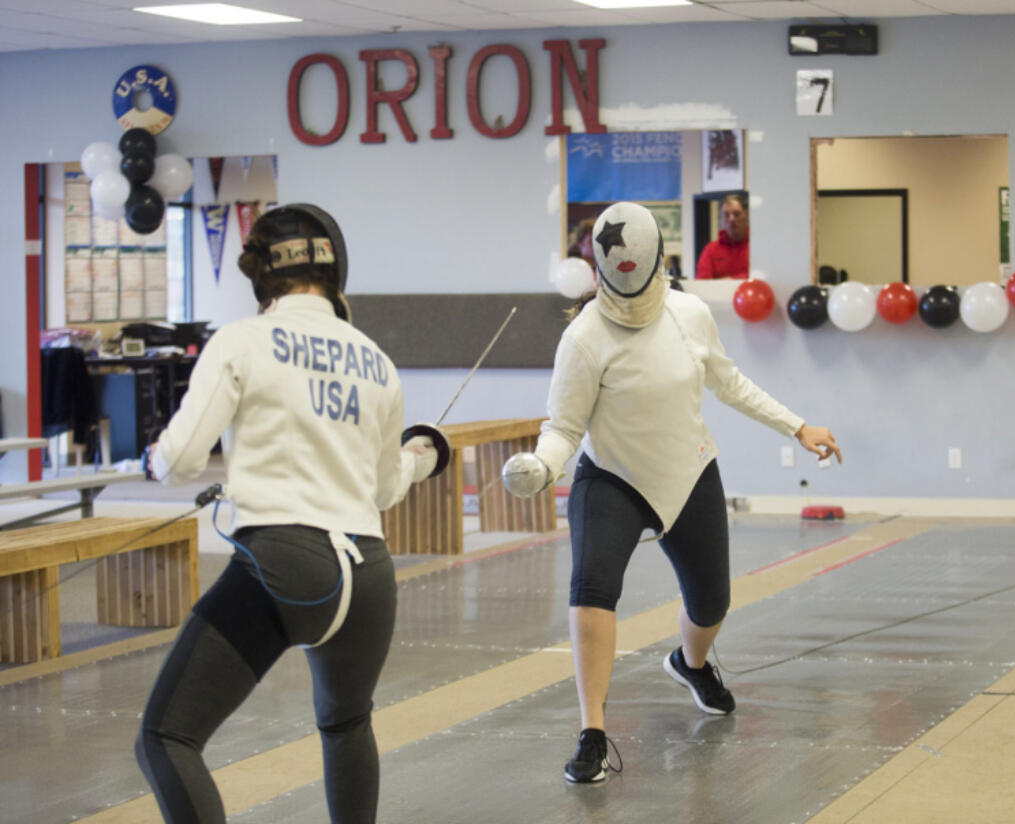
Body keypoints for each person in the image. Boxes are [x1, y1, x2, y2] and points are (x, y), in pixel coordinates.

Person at [501, 201, 841, 784]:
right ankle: (592, 732)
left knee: (712, 603)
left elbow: (731, 383)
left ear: (661, 261)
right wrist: (541, 465)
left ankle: (691, 662)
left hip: (688, 472)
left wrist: (797, 425)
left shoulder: (689, 314)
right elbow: (563, 428)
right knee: (591, 592)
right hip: (612, 479)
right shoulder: (583, 338)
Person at [134, 204, 440, 823]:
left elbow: (183, 459)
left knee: (167, 738)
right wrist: (423, 456)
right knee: (347, 726)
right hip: (369, 579)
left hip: (283, 566)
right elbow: (385, 489)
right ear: (335, 271)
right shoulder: (374, 358)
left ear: (261, 275)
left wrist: (153, 461)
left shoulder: (242, 341)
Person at [695, 192, 749, 279]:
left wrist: (729, 280)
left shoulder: (756, 248)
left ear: (746, 215)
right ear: (721, 219)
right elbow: (703, 282)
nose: (731, 219)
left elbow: (762, 277)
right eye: (727, 215)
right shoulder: (710, 250)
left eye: (736, 214)